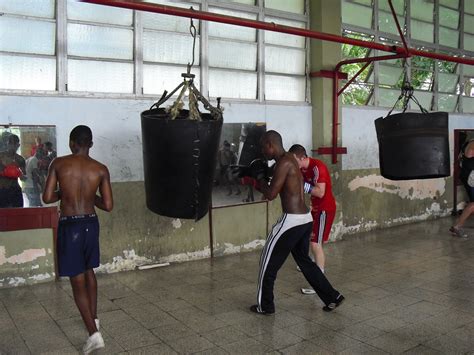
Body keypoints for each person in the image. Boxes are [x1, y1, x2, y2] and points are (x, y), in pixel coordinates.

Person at [249, 130, 344, 314]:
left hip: (291, 221)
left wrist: (257, 179)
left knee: (267, 262)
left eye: (263, 147)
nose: (262, 151)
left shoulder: (284, 162)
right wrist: (253, 174)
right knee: (305, 261)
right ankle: (332, 297)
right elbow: (278, 179)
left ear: (270, 145)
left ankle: (265, 306)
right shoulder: (290, 160)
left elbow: (270, 194)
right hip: (305, 219)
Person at [43, 125, 113, 354]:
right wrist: (91, 197)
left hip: (70, 226)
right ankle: (94, 319)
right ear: (90, 144)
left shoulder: (60, 164)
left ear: (72, 143)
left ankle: (94, 335)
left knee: (76, 279)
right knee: (89, 270)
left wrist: (64, 193)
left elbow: (46, 198)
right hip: (91, 223)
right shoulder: (100, 169)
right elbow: (108, 205)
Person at [289, 144, 336, 294]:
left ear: (302, 158)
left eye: (294, 160)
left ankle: (319, 282)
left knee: (316, 244)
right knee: (306, 236)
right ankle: (309, 264)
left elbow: (320, 192)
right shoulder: (302, 168)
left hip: (324, 209)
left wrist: (302, 185)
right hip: (314, 209)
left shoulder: (317, 167)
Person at [450, 139, 474, 238]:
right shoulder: (472, 144)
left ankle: (457, 227)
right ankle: (457, 227)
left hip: (468, 175)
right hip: (471, 177)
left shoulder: (470, 141)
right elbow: (469, 154)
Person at [0, 134, 26, 208]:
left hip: (15, 189)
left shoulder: (20, 159)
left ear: (18, 145)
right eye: (11, 143)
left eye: (15, 144)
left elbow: (24, 178)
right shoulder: (1, 156)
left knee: (18, 213)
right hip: (2, 189)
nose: (13, 146)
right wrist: (5, 171)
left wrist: (20, 174)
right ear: (7, 144)